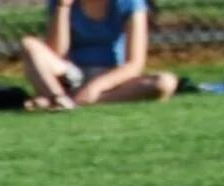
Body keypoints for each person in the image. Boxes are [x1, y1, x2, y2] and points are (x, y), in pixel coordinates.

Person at [21, 0, 179, 109]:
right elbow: (56, 54)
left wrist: (94, 88)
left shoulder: (130, 3)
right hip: (72, 74)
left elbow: (134, 64)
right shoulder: (61, 3)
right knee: (30, 45)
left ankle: (70, 101)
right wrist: (63, 7)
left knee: (165, 82)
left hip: (111, 79)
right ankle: (58, 97)